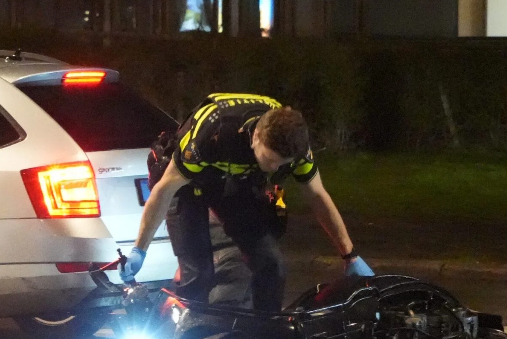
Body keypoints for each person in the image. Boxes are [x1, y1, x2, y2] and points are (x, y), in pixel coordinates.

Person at [120, 93, 373, 311]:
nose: (274, 168)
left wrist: (349, 255)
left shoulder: (296, 147)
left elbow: (318, 196)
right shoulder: (212, 133)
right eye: (269, 160)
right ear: (256, 137)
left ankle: (266, 335)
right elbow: (164, 190)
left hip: (234, 178)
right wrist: (140, 249)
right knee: (199, 275)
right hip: (189, 183)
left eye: (281, 165)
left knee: (272, 266)